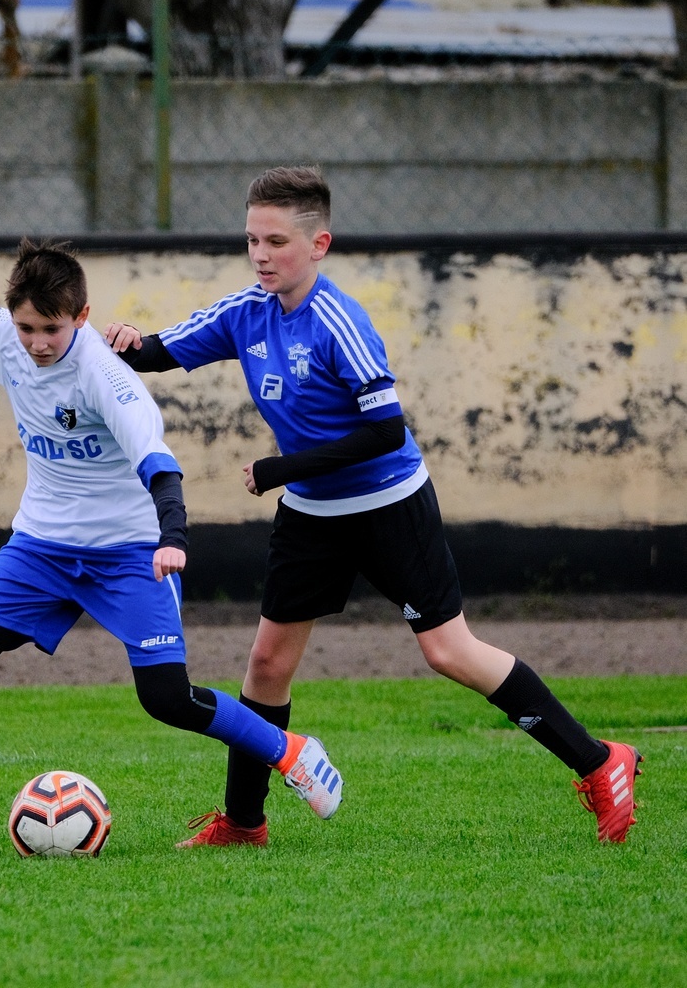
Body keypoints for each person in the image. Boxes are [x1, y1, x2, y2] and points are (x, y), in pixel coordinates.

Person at [103, 165, 641, 847]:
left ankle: (600, 762)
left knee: (448, 651)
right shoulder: (245, 312)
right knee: (267, 665)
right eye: (252, 240)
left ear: (319, 244)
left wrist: (280, 468)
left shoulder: (339, 321)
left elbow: (385, 431)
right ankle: (243, 822)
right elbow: (157, 353)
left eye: (276, 242)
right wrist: (120, 342)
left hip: (390, 505)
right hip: (312, 515)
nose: (261, 255)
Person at [0, 240, 345, 859]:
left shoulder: (106, 377)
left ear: (81, 317)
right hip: (40, 547)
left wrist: (173, 539)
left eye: (51, 329)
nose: (36, 343)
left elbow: (161, 467)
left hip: (130, 552)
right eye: (26, 328)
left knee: (166, 699)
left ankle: (291, 751)